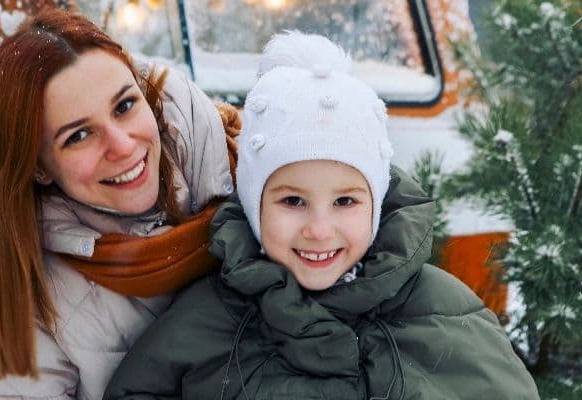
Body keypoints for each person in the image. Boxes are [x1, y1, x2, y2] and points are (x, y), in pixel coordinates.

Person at [104, 32, 539, 399]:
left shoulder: (444, 314)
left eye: (345, 202)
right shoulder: (205, 323)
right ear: (255, 207)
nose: (318, 229)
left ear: (376, 202)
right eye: (292, 201)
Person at [0, 8, 236, 400]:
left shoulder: (252, 170)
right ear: (38, 168)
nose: (123, 146)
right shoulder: (22, 290)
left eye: (124, 106)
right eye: (78, 136)